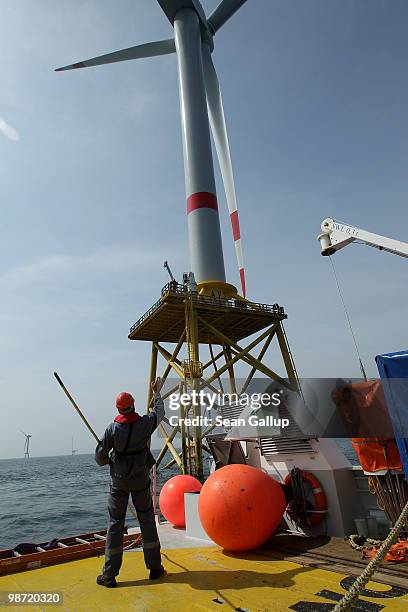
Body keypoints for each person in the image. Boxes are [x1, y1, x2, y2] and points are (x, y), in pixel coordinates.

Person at [95, 377, 166, 588]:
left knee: (115, 524)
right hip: (140, 479)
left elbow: (99, 458)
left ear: (118, 408)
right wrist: (157, 393)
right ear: (133, 405)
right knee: (146, 520)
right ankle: (155, 568)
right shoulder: (145, 423)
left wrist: (107, 459)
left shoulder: (112, 429)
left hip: (118, 481)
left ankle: (109, 575)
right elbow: (159, 413)